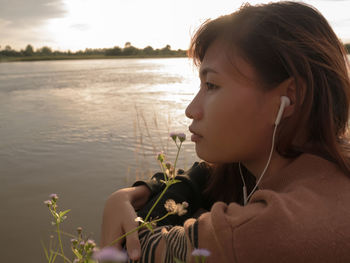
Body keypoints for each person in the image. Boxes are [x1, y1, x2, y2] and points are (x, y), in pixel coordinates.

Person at [100, 1, 350, 262]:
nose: (191, 109)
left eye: (211, 85)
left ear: (290, 97)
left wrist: (120, 207)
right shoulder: (328, 168)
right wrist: (148, 189)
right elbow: (207, 175)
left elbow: (135, 249)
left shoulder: (259, 232)